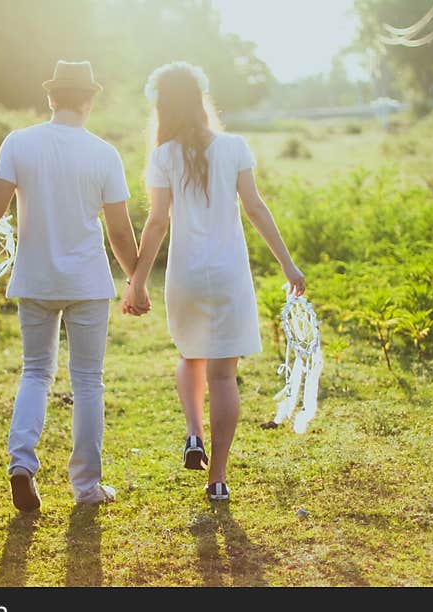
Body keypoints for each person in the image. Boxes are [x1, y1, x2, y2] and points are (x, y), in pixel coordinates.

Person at [0, 60, 143, 512]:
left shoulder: (19, 143)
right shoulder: (104, 153)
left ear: (51, 98)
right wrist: (135, 280)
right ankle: (87, 488)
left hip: (37, 279)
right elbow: (121, 233)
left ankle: (21, 465)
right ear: (89, 100)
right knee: (87, 382)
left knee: (36, 373)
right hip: (86, 281)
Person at [123, 62, 305, 503]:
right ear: (201, 100)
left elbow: (156, 223)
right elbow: (256, 209)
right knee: (224, 377)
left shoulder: (162, 156)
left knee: (190, 356)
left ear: (163, 107)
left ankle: (192, 434)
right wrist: (288, 264)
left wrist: (137, 282)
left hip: (185, 275)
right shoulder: (234, 147)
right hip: (228, 275)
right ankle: (218, 479)